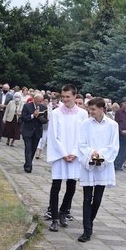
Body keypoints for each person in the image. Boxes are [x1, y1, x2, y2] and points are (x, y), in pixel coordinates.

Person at [75, 97, 119, 242]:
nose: (91, 112)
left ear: (102, 109)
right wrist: (91, 152)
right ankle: (86, 230)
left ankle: (90, 222)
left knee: (98, 198)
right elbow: (81, 143)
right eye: (90, 109)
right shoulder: (85, 124)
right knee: (87, 197)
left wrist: (101, 154)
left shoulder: (112, 125)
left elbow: (114, 146)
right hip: (89, 164)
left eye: (93, 109)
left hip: (103, 165)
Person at [46, 85, 89, 232]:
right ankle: (54, 218)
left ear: (74, 96)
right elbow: (53, 135)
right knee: (56, 186)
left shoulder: (82, 114)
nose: (65, 99)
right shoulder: (56, 113)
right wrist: (63, 153)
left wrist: (75, 152)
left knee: (71, 186)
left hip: (75, 155)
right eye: (63, 97)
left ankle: (64, 211)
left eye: (68, 97)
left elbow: (83, 136)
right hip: (60, 155)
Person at [20, 93, 48, 173]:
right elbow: (23, 117)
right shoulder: (27, 106)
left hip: (37, 132)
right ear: (34, 99)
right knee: (28, 148)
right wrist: (32, 115)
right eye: (38, 101)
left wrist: (41, 118)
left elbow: (45, 120)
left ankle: (28, 163)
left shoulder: (43, 108)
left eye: (41, 101)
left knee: (33, 149)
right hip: (28, 131)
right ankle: (29, 166)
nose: (39, 103)